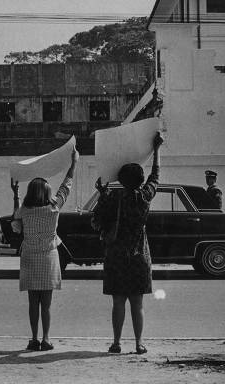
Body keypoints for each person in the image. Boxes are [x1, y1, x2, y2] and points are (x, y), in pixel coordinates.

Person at [93, 131, 164, 355]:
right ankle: (139, 343)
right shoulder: (144, 197)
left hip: (115, 256)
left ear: (121, 180)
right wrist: (157, 150)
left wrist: (102, 193)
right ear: (140, 181)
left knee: (117, 303)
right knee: (137, 304)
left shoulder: (112, 198)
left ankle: (116, 342)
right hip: (139, 257)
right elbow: (156, 175)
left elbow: (96, 221)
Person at [10, 147, 78, 352]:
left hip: (30, 257)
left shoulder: (25, 211)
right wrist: (73, 163)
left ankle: (33, 338)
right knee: (46, 304)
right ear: (47, 192)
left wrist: (16, 195)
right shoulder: (53, 208)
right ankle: (46, 338)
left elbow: (15, 226)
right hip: (49, 257)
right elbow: (66, 186)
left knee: (33, 303)